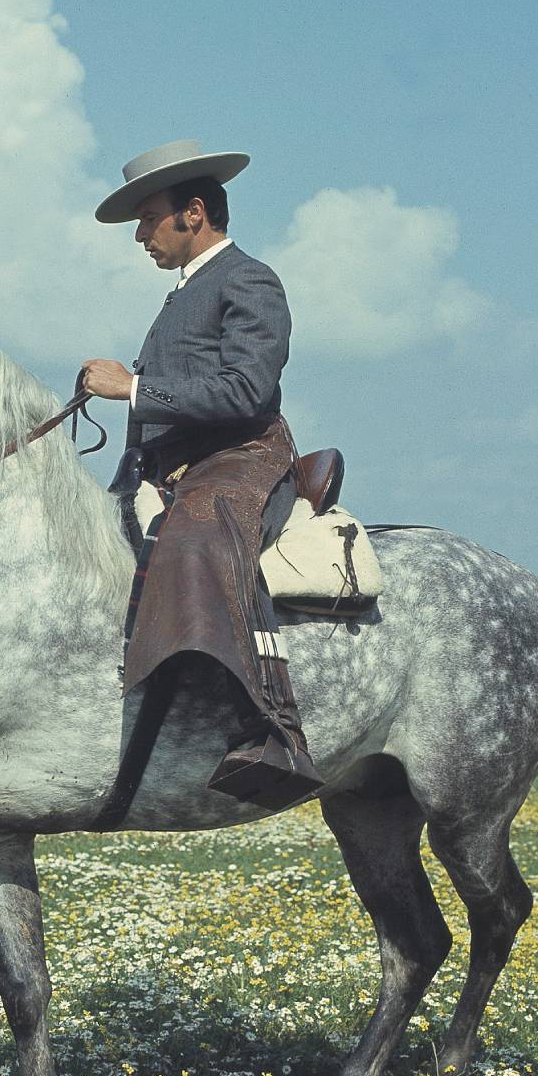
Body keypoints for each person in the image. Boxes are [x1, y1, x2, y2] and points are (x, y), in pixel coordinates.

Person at [80, 139, 323, 810]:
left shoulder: (249, 280)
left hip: (242, 457)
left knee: (192, 541)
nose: (139, 235)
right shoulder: (181, 293)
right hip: (177, 465)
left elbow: (246, 390)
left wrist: (134, 388)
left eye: (148, 217)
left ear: (193, 213)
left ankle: (270, 728)